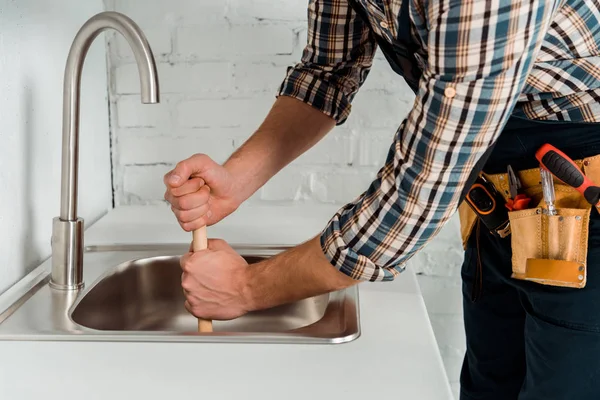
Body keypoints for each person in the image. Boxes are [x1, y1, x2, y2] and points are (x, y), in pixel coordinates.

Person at [163, 0, 600, 398]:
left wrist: (246, 288)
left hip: (587, 204)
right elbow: (327, 73)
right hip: (501, 208)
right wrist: (235, 180)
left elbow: (422, 186)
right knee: (490, 388)